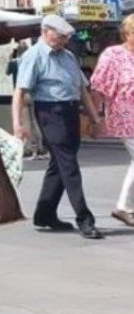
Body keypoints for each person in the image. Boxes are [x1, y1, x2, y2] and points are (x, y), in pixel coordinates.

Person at [13, 14, 105, 240]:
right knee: (68, 164)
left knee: (59, 163)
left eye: (66, 37)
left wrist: (95, 118)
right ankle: (84, 218)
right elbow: (20, 92)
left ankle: (44, 214)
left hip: (70, 110)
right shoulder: (34, 56)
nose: (64, 40)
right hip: (49, 112)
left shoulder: (69, 57)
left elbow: (82, 90)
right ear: (45, 32)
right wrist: (18, 124)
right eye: (60, 36)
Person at [90, 14, 134, 228]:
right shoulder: (113, 55)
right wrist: (96, 118)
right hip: (126, 116)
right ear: (126, 34)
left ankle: (125, 206)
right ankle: (123, 206)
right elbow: (99, 87)